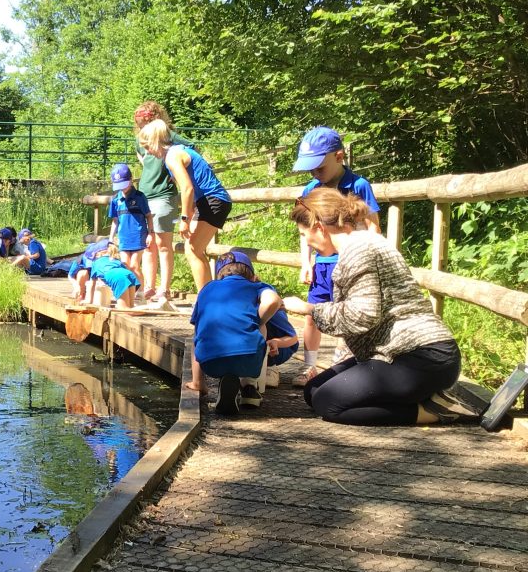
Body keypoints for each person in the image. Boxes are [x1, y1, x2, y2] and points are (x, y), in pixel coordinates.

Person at [282, 189, 484, 426]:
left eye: (304, 234)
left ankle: (438, 410)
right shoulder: (366, 240)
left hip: (419, 358)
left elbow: (362, 316)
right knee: (314, 390)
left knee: (329, 403)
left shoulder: (357, 252)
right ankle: (424, 397)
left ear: (319, 227)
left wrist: (309, 309)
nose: (306, 241)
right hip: (401, 353)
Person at [291, 126, 382, 387]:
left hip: (350, 262)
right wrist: (306, 262)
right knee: (313, 314)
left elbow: (373, 224)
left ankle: (341, 365)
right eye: (311, 169)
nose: (314, 173)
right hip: (323, 264)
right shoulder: (311, 188)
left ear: (339, 157)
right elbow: (305, 229)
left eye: (319, 167)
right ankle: (309, 365)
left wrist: (370, 255)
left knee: (347, 314)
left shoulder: (358, 185)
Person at [188, 250, 292, 415]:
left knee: (199, 332)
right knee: (259, 326)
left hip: (210, 362)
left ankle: (199, 383)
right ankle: (248, 386)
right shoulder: (257, 286)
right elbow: (273, 300)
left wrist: (198, 382)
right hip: (248, 359)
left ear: (219, 276)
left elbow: (197, 328)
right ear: (252, 276)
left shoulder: (207, 289)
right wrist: (258, 321)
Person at [137, 119, 231, 293]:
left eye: (148, 147)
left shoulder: (172, 156)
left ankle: (206, 299)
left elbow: (187, 188)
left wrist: (185, 219)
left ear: (156, 141)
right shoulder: (175, 153)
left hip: (214, 200)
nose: (147, 152)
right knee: (194, 250)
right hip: (207, 202)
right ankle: (210, 296)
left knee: (193, 251)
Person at [132, 102, 180, 304]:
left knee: (163, 244)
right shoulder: (139, 140)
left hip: (163, 195)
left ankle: (164, 288)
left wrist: (174, 172)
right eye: (139, 123)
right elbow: (144, 161)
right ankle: (149, 287)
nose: (143, 127)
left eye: (145, 122)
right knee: (148, 244)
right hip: (145, 195)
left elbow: (192, 148)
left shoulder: (167, 135)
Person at [107, 163, 153, 287]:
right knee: (125, 264)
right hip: (123, 237)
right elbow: (115, 221)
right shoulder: (116, 200)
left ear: (131, 180)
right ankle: (129, 291)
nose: (122, 188)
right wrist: (111, 238)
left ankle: (142, 292)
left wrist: (150, 234)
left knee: (134, 265)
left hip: (138, 236)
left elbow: (149, 216)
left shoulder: (140, 197)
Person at [90, 243, 140, 309]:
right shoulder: (116, 260)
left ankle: (145, 309)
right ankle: (141, 309)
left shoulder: (96, 263)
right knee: (131, 306)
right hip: (129, 274)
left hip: (116, 276)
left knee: (124, 309)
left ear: (97, 254)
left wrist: (89, 301)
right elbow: (125, 270)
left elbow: (92, 284)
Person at [68, 237, 110, 304]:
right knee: (83, 273)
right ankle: (81, 295)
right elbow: (70, 275)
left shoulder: (103, 261)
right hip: (85, 280)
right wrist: (76, 285)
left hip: (97, 279)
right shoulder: (80, 259)